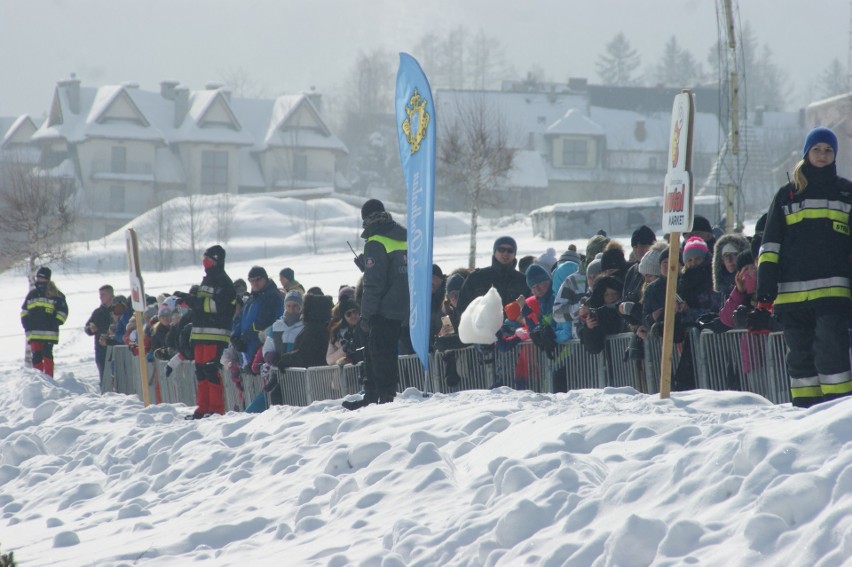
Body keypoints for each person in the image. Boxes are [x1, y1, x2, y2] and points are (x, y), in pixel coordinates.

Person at [756, 126, 852, 407]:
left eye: (828, 150)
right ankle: (805, 418)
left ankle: (839, 415)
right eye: (817, 149)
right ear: (806, 153)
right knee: (800, 361)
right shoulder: (786, 196)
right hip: (790, 298)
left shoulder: (847, 193)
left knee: (831, 354)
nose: (822, 155)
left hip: (832, 295)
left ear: (835, 155)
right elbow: (770, 246)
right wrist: (764, 292)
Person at [343, 199, 409, 410]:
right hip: (404, 305)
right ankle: (382, 395)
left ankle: (378, 399)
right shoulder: (403, 234)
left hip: (383, 308)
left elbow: (373, 285)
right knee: (388, 353)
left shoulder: (375, 241)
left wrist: (365, 316)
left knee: (377, 353)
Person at [178, 245, 236, 419]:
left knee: (211, 371)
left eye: (209, 259)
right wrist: (189, 299)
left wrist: (193, 302)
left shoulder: (223, 281)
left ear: (217, 261)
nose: (205, 262)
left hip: (215, 333)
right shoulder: (207, 280)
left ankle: (216, 410)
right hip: (200, 333)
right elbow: (202, 304)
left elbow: (216, 306)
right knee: (200, 371)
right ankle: (203, 407)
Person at [455, 236, 529, 330]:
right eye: (501, 249)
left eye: (510, 250)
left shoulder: (523, 280)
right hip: (482, 335)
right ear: (494, 251)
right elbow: (462, 308)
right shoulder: (477, 277)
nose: (505, 253)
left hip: (516, 336)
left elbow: (532, 308)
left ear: (514, 254)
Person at [21, 267, 68, 377]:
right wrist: (26, 325)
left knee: (47, 355)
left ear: (47, 279)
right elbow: (24, 312)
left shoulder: (57, 295)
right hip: (34, 333)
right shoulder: (32, 294)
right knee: (36, 357)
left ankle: (49, 379)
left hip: (49, 334)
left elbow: (63, 312)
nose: (39, 280)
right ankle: (39, 380)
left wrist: (55, 323)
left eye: (42, 277)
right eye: (38, 277)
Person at [233, 266, 284, 366]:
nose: (255, 283)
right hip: (248, 350)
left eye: (258, 279)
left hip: (262, 348)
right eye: (251, 281)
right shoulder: (252, 298)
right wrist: (235, 337)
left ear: (265, 278)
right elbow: (240, 318)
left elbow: (263, 323)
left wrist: (244, 338)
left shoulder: (271, 296)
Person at [84, 284, 115, 386]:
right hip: (101, 350)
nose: (100, 297)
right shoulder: (98, 312)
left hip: (116, 347)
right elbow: (87, 328)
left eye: (103, 294)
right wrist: (90, 329)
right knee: (104, 377)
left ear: (111, 295)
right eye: (100, 295)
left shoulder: (117, 310)